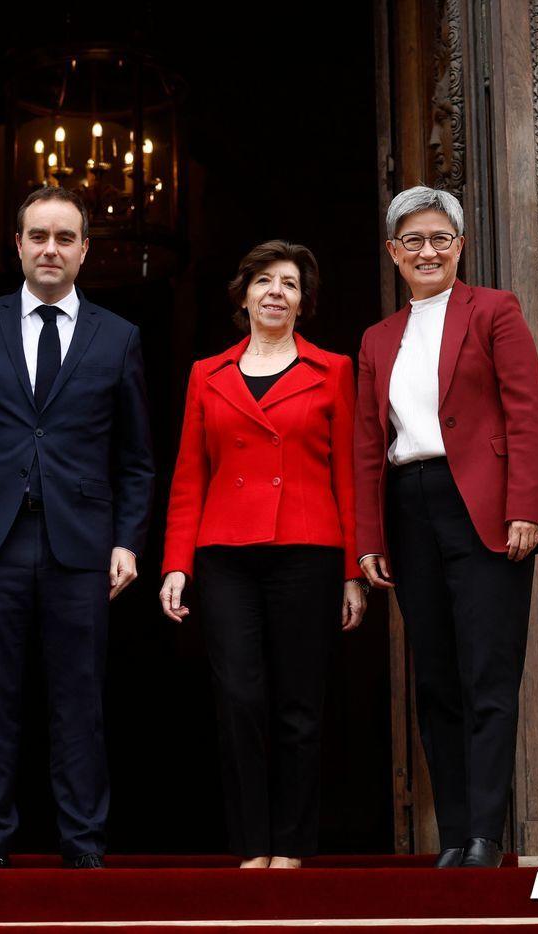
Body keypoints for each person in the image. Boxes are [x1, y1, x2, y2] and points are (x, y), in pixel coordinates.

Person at [0, 186, 154, 869]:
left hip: (80, 545)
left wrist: (127, 540)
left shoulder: (119, 336)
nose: (50, 248)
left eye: (64, 237)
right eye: (37, 236)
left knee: (78, 699)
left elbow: (138, 458)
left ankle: (83, 845)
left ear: (86, 249)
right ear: (18, 245)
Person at [354, 185, 538, 869]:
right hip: (409, 506)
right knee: (437, 679)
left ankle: (486, 836)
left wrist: (525, 504)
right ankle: (452, 837)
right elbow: (366, 443)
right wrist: (367, 538)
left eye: (440, 238)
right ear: (393, 252)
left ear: (460, 247)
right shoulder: (377, 338)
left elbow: (526, 412)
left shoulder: (494, 311)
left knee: (487, 672)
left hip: (485, 505)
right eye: (412, 240)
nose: (427, 251)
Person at [158, 240, 365, 868]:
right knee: (240, 699)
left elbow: (350, 476)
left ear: (303, 303)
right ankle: (252, 846)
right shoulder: (207, 374)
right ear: (243, 293)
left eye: (291, 284)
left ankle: (294, 847)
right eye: (265, 281)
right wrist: (175, 563)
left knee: (300, 704)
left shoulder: (334, 370)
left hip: (308, 550)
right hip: (225, 554)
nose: (277, 292)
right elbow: (189, 473)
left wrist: (354, 571)